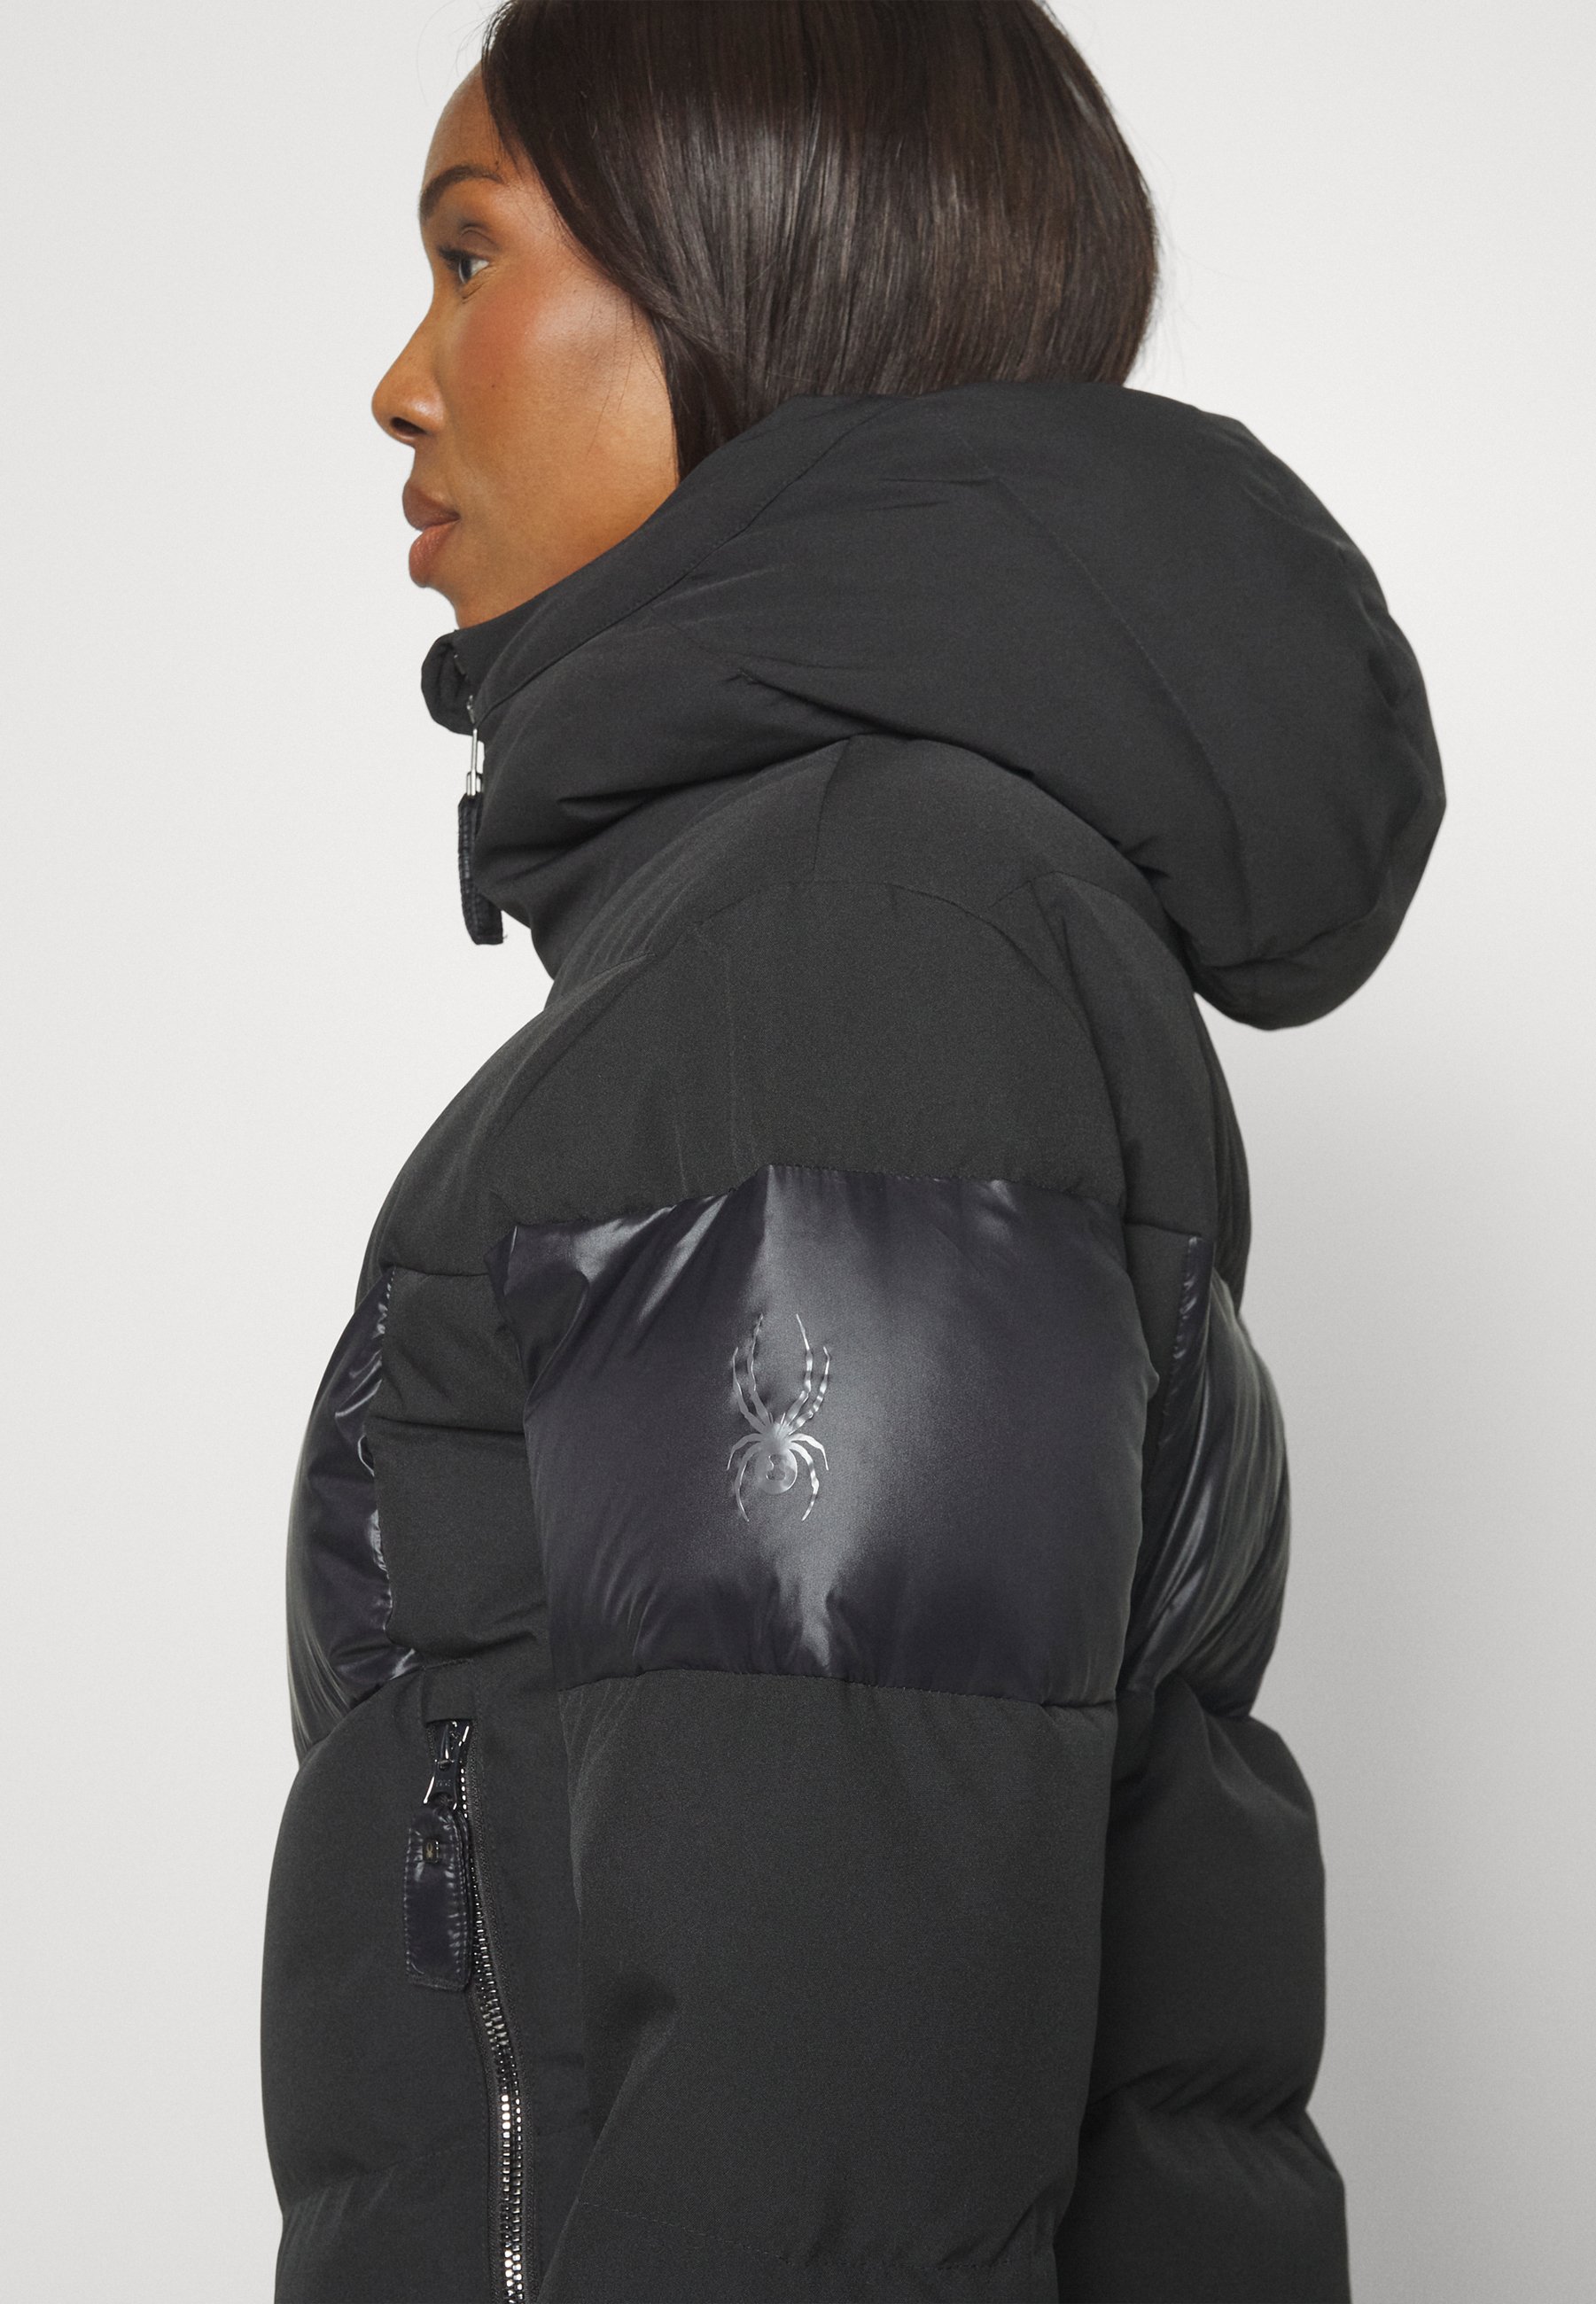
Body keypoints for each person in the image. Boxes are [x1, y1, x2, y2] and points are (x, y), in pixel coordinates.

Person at [261, 4, 1444, 2299]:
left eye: (471, 256)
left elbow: (824, 2153)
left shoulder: (843, 945)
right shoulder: (843, 914)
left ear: (739, 280)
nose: (403, 382)